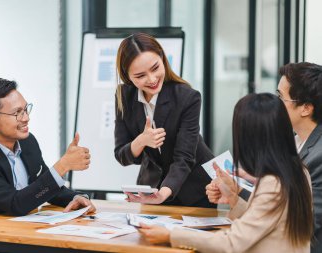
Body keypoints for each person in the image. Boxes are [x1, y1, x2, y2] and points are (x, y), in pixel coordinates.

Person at [139, 93, 313, 252]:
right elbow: (265, 221)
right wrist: (234, 197)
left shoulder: (273, 183)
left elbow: (231, 243)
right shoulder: (297, 170)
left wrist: (171, 235)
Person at [206, 62, 322, 253]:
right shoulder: (294, 141)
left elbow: (300, 221)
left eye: (281, 97)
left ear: (306, 108)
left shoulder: (318, 156)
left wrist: (239, 193)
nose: (275, 103)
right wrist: (236, 190)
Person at [0, 78, 95, 221]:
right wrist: (63, 165)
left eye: (25, 109)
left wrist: (76, 197)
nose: (26, 118)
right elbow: (16, 204)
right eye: (17, 113)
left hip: (20, 232)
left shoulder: (28, 142)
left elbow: (43, 187)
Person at [114, 33, 214, 207]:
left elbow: (184, 158)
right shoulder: (123, 96)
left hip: (194, 189)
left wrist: (163, 195)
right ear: (127, 76)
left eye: (155, 68)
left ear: (162, 58)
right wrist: (141, 141)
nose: (152, 80)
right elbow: (122, 155)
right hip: (153, 187)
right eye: (140, 76)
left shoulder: (187, 97)